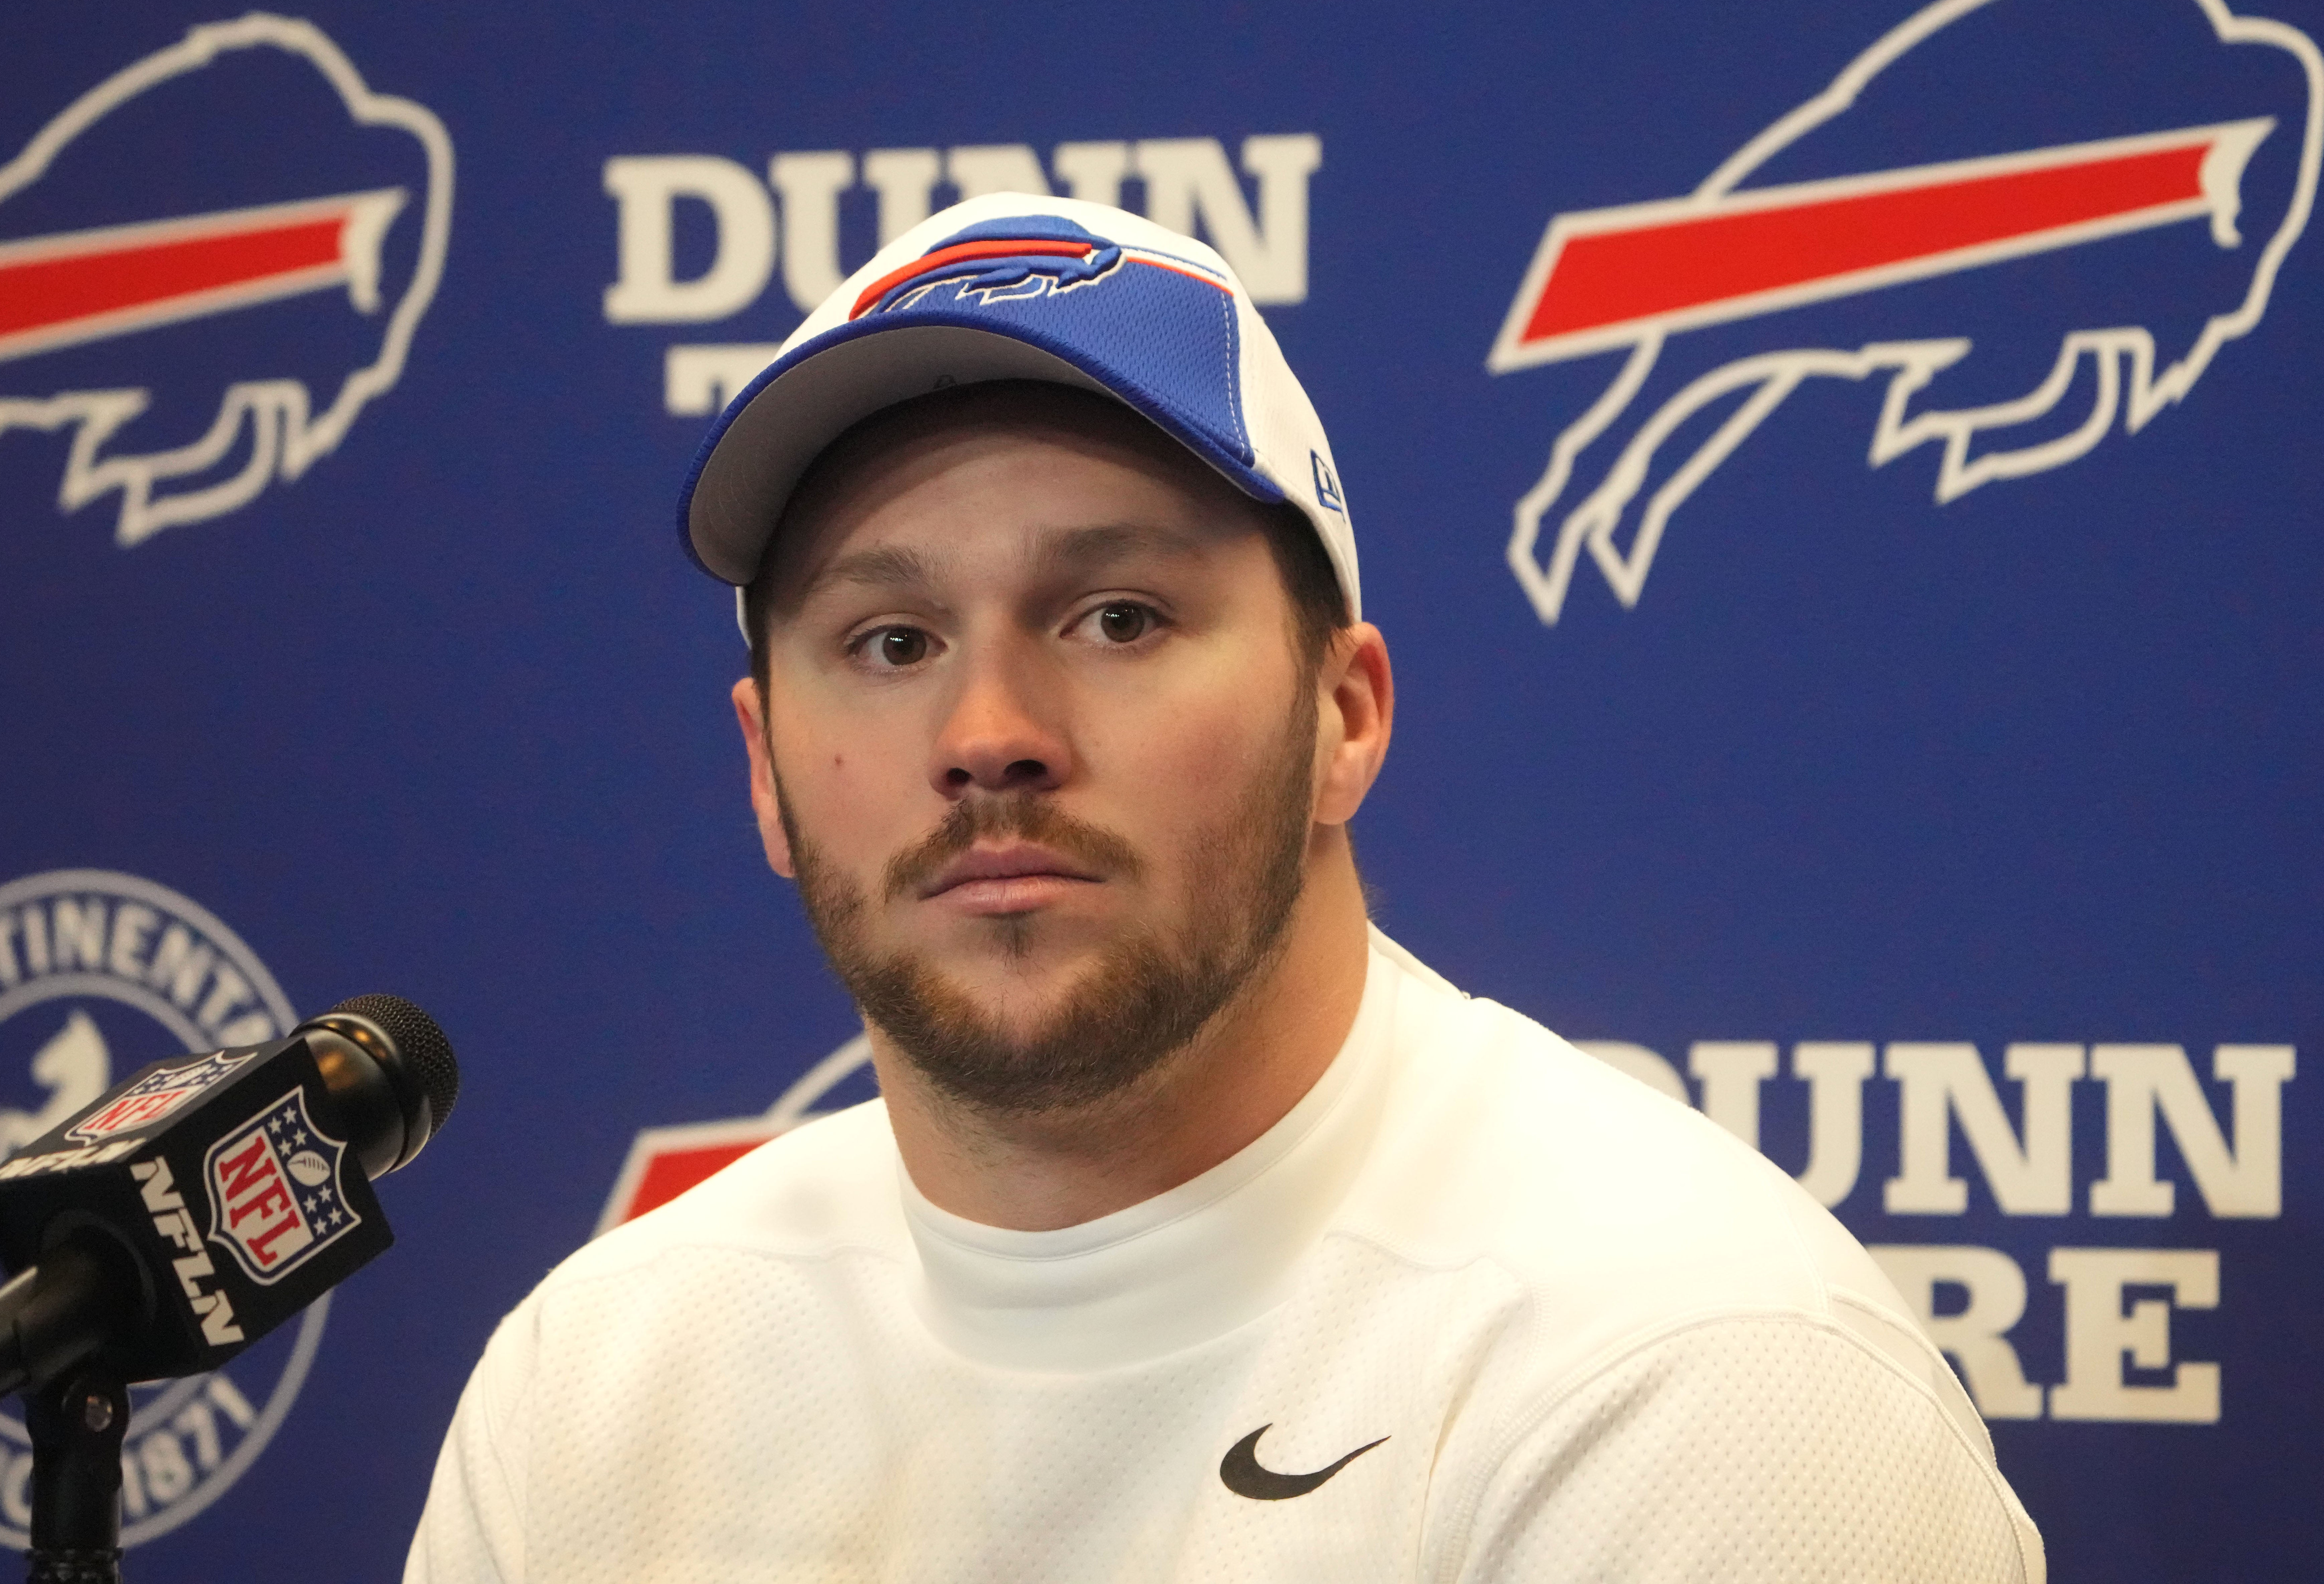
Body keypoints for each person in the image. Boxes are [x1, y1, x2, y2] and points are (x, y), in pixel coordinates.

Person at [406, 195, 2045, 1581]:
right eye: (891, 644)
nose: (988, 737)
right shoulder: (604, 1382)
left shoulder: (1689, 1380)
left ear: (1342, 717)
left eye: (1116, 617)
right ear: (766, 769)